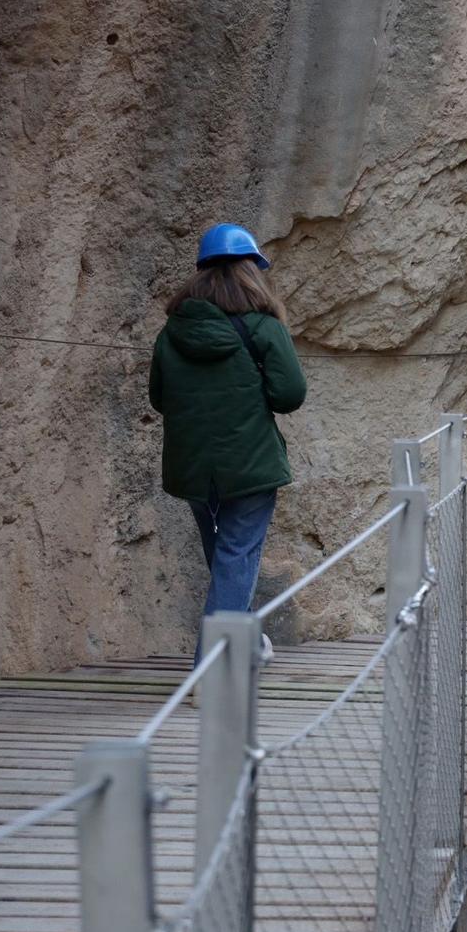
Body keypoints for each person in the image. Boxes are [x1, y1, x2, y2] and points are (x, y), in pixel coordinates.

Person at [149, 223, 307, 658]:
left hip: (194, 468)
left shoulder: (171, 334)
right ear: (252, 271)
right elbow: (290, 395)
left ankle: (249, 642)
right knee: (237, 558)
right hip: (251, 465)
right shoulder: (263, 327)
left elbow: (159, 399)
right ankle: (213, 668)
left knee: (225, 558)